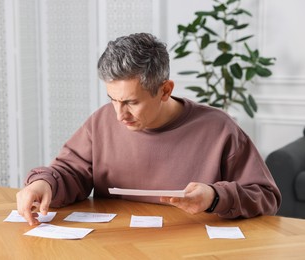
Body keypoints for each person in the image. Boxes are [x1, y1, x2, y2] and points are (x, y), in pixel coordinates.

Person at [16, 32, 281, 225]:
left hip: (192, 245)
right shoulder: (102, 121)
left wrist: (214, 197)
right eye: (113, 100)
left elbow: (266, 197)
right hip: (117, 244)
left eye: (131, 102)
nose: (119, 115)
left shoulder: (219, 129)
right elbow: (70, 172)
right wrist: (43, 184)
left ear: (165, 90)